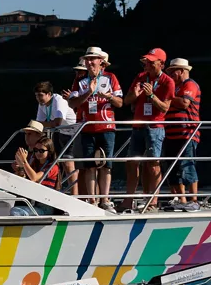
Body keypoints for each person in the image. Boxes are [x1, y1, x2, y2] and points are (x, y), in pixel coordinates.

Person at [65, 46, 123, 211]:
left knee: (106, 165)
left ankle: (105, 200)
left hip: (107, 127)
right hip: (87, 128)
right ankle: (92, 201)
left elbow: (120, 103)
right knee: (89, 166)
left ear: (101, 61)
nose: (89, 62)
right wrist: (88, 93)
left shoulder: (111, 78)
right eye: (87, 59)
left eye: (93, 59)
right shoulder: (80, 80)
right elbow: (72, 103)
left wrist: (109, 96)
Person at [123, 48, 176, 213]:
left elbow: (165, 108)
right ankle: (128, 200)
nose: (147, 64)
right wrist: (136, 94)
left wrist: (151, 95)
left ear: (161, 63)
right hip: (138, 125)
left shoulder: (168, 81)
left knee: (153, 164)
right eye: (146, 61)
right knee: (132, 162)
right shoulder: (140, 77)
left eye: (151, 62)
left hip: (155, 127)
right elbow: (126, 101)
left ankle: (153, 201)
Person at [164, 58, 201, 210]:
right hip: (172, 133)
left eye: (173, 71)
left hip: (187, 133)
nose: (171, 74)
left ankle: (194, 200)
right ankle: (182, 200)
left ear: (182, 71)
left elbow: (185, 103)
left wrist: (167, 98)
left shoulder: (190, 84)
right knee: (174, 167)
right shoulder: (175, 87)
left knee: (187, 165)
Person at [34, 81, 77, 195]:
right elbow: (39, 124)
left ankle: (75, 194)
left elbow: (57, 122)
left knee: (68, 162)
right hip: (60, 132)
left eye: (41, 95)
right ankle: (57, 189)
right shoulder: (42, 104)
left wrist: (43, 124)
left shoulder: (59, 101)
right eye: (37, 96)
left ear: (49, 94)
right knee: (55, 160)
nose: (39, 98)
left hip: (73, 131)